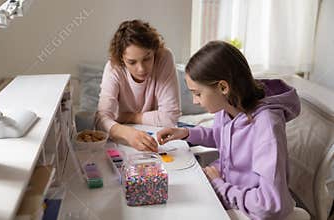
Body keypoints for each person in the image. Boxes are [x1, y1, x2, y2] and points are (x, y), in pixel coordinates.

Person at [157, 41, 300, 219]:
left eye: (198, 93)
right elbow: (222, 137)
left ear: (223, 87)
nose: (195, 101)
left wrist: (219, 186)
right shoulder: (227, 109)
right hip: (229, 191)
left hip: (251, 210)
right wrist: (186, 134)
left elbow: (270, 204)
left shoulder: (266, 126)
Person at [95, 19, 180, 152]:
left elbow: (170, 118)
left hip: (156, 135)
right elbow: (100, 120)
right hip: (124, 139)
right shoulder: (114, 68)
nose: (141, 69)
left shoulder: (164, 58)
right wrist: (127, 133)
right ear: (122, 59)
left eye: (147, 58)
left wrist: (126, 116)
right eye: (132, 62)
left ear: (155, 52)